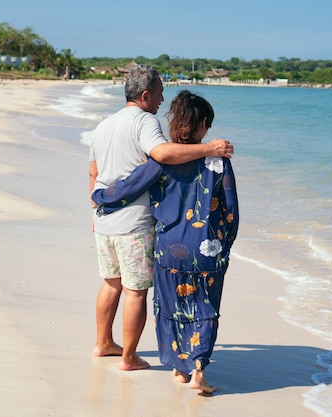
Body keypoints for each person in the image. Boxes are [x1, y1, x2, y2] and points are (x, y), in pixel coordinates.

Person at [92, 90, 239, 393]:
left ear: (176, 123)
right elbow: (230, 211)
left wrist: (99, 197)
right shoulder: (219, 162)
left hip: (168, 247)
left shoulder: (160, 161)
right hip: (207, 247)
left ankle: (178, 367)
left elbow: (128, 188)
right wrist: (225, 245)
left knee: (171, 305)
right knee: (205, 307)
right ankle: (198, 368)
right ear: (202, 125)